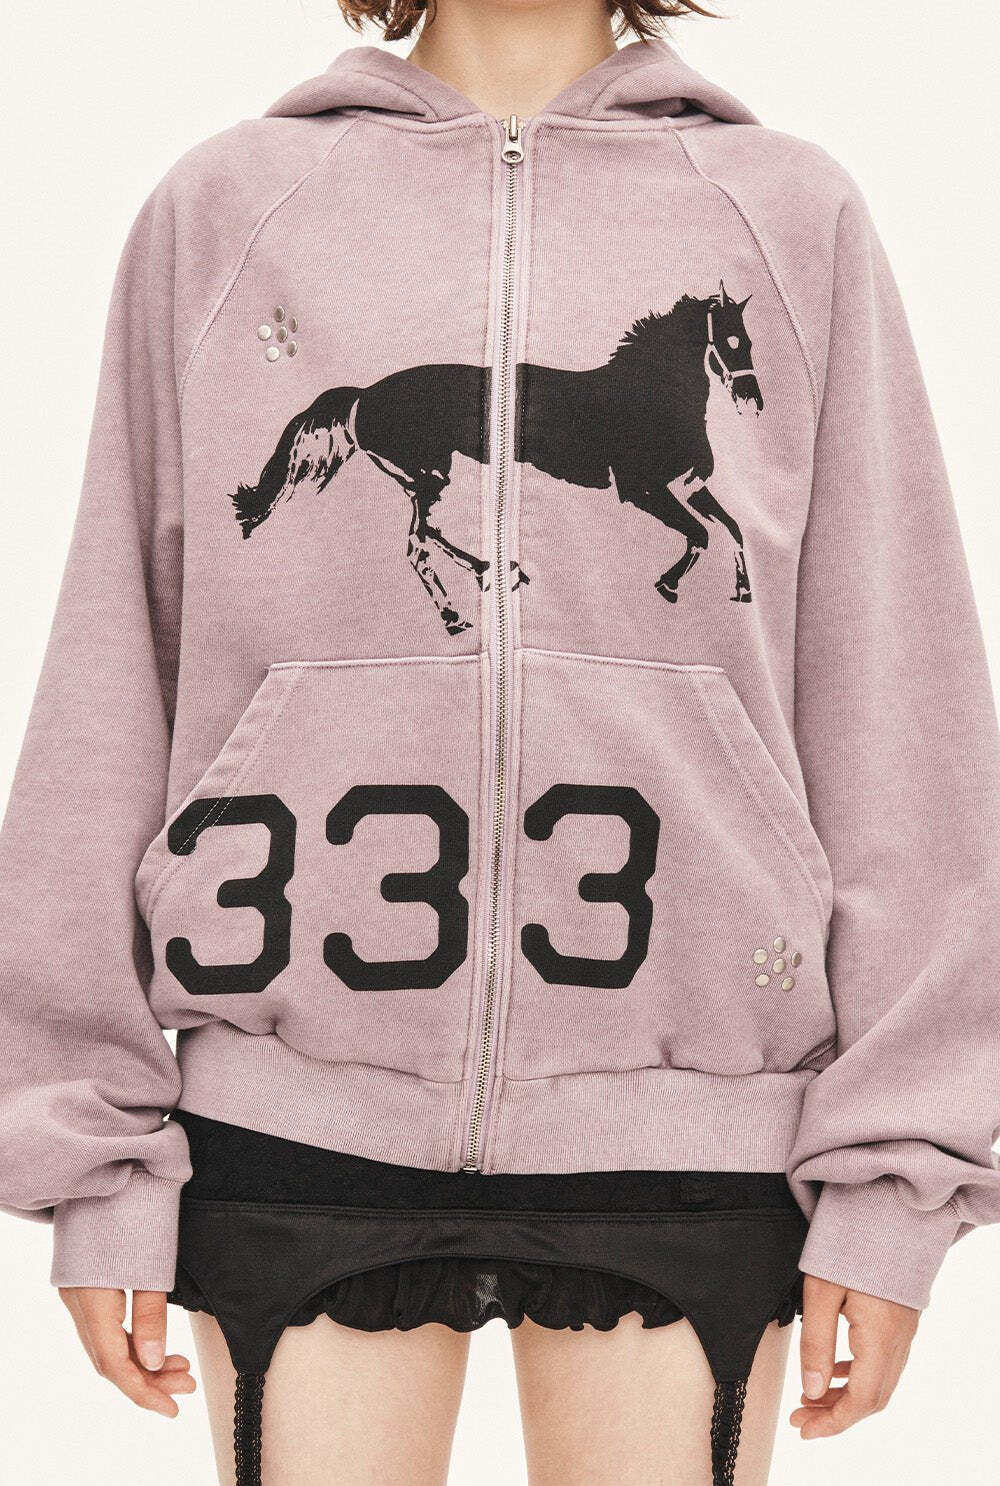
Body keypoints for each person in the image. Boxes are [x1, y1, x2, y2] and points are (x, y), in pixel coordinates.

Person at [1, 0, 998, 1482]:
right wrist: (89, 1151)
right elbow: (109, 669)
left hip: (697, 1118)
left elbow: (896, 695)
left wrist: (897, 1175)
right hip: (292, 1101)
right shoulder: (225, 207)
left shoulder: (793, 216)